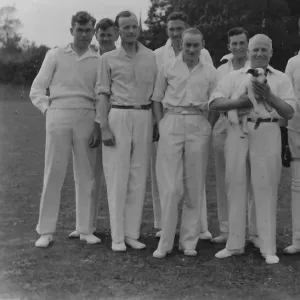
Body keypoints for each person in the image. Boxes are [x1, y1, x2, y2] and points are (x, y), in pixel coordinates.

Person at [209, 34, 295, 264]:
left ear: (271, 52)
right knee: (235, 185)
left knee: (265, 188)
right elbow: (215, 103)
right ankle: (234, 244)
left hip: (268, 131)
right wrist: (239, 104)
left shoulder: (282, 78)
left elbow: (289, 112)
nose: (259, 54)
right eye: (255, 49)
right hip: (238, 132)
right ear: (248, 51)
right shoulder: (234, 77)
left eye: (264, 50)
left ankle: (267, 246)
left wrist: (270, 96)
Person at [30, 11, 102, 247]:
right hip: (58, 113)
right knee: (54, 172)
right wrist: (48, 110)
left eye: (88, 30)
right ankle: (46, 230)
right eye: (79, 30)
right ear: (71, 30)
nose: (83, 35)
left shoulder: (98, 59)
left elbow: (100, 94)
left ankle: (85, 229)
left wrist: (97, 123)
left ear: (93, 32)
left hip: (87, 116)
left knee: (86, 174)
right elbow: (37, 90)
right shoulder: (55, 55)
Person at [152, 28, 218, 258]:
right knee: (171, 187)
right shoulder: (168, 66)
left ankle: (188, 241)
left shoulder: (210, 71)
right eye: (187, 44)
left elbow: (215, 102)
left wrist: (207, 125)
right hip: (172, 121)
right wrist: (161, 124)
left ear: (202, 45)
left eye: (196, 45)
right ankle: (165, 243)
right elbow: (157, 99)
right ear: (181, 43)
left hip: (198, 122)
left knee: (194, 184)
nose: (191, 49)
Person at [96, 11, 157, 252]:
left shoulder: (151, 57)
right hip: (118, 116)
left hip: (144, 116)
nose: (131, 31)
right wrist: (104, 127)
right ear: (118, 31)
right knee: (117, 177)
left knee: (138, 176)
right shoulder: (108, 58)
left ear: (139, 29)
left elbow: (155, 94)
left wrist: (154, 123)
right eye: (125, 27)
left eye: (134, 27)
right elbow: (102, 94)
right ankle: (118, 237)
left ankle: (132, 233)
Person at [68, 17, 119, 239]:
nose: (105, 38)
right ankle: (85, 225)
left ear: (116, 35)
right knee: (88, 174)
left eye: (109, 34)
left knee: (116, 176)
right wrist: (98, 125)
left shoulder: (119, 58)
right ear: (96, 36)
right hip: (94, 121)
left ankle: (120, 227)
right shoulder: (95, 59)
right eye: (101, 34)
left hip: (118, 121)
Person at [211, 27, 257, 245]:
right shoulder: (220, 70)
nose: (238, 47)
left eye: (242, 43)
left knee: (252, 179)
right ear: (228, 46)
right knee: (226, 179)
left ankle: (253, 232)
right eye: (234, 43)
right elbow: (214, 100)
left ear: (247, 44)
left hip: (250, 127)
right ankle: (227, 229)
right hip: (223, 126)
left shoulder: (255, 67)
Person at [283, 51, 300, 254]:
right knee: (297, 184)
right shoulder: (293, 62)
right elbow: (287, 99)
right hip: (296, 129)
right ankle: (298, 238)